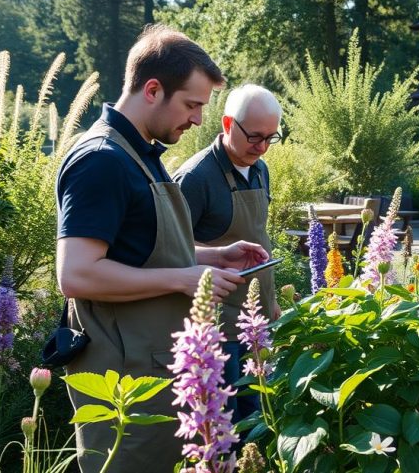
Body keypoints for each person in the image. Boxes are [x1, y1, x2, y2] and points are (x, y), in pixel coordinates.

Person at [55, 25, 268, 473]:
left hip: (155, 366)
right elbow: (76, 274)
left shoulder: (141, 153)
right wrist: (182, 278)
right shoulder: (101, 159)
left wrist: (211, 256)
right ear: (152, 89)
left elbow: (139, 248)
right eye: (191, 105)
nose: (196, 120)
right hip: (124, 380)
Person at [173, 83, 283, 422]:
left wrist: (272, 299)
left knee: (262, 419)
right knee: (226, 425)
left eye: (271, 138)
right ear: (227, 124)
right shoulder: (195, 177)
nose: (262, 148)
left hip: (257, 319)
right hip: (217, 330)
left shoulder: (261, 169)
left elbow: (259, 236)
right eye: (254, 137)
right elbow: (167, 252)